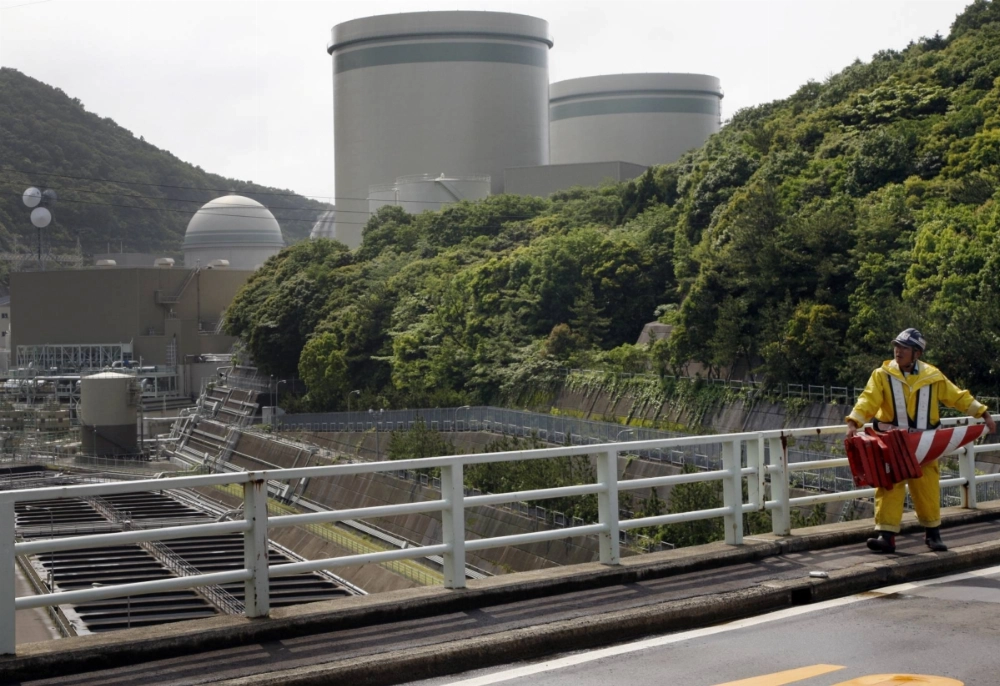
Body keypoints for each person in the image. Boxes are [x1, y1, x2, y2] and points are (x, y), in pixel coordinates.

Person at [846, 328, 996, 553]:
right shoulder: (882, 374)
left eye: (904, 348)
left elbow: (957, 396)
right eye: (896, 346)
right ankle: (886, 536)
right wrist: (854, 422)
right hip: (892, 444)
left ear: (917, 353)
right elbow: (868, 399)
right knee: (889, 486)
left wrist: (982, 413)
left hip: (924, 443)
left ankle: (933, 535)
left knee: (927, 488)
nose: (898, 351)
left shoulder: (933, 376)